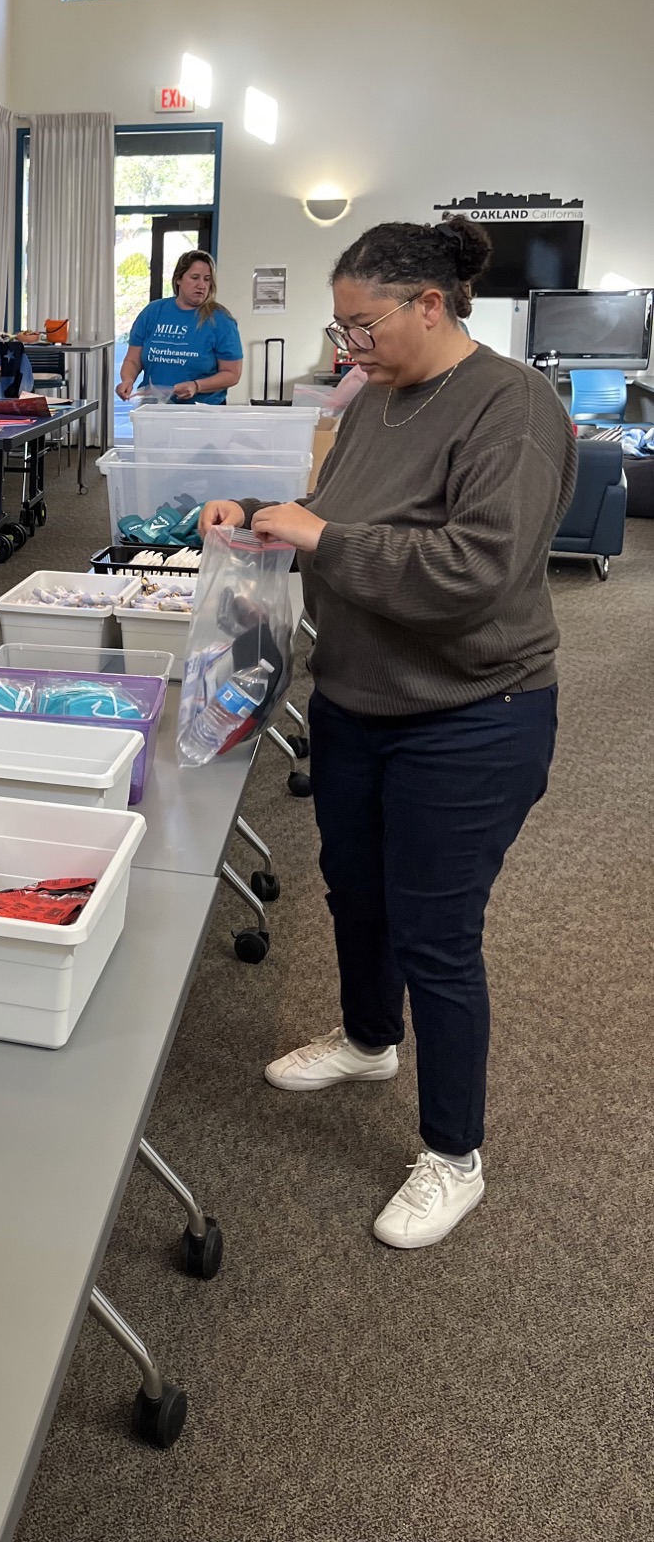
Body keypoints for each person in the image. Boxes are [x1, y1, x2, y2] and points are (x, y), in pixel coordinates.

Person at [200, 215, 576, 1250]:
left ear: (430, 302)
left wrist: (322, 534)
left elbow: (475, 571)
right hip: (359, 700)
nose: (348, 349)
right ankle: (370, 1037)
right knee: (355, 886)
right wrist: (269, 514)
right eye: (340, 328)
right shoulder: (374, 399)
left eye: (363, 326)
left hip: (470, 713)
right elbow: (341, 512)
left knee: (437, 932)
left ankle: (455, 1153)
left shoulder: (515, 406)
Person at [116, 249, 243, 405]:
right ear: (178, 279)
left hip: (201, 410)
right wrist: (127, 380)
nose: (201, 285)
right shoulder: (153, 312)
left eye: (207, 279)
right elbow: (133, 360)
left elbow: (232, 373)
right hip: (154, 407)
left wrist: (197, 386)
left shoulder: (221, 320)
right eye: (195, 277)